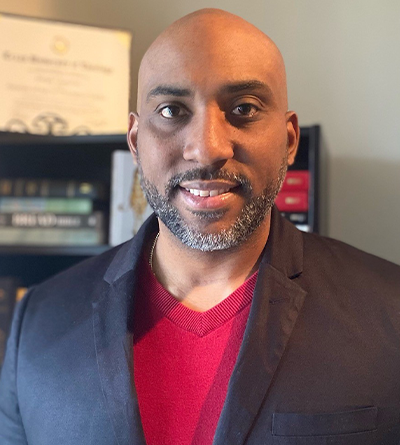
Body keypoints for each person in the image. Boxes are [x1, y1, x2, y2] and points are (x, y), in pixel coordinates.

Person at [0, 8, 399, 445]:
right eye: (172, 110)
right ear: (135, 142)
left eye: (244, 109)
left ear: (288, 141)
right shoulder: (38, 322)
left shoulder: (389, 310)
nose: (207, 149)